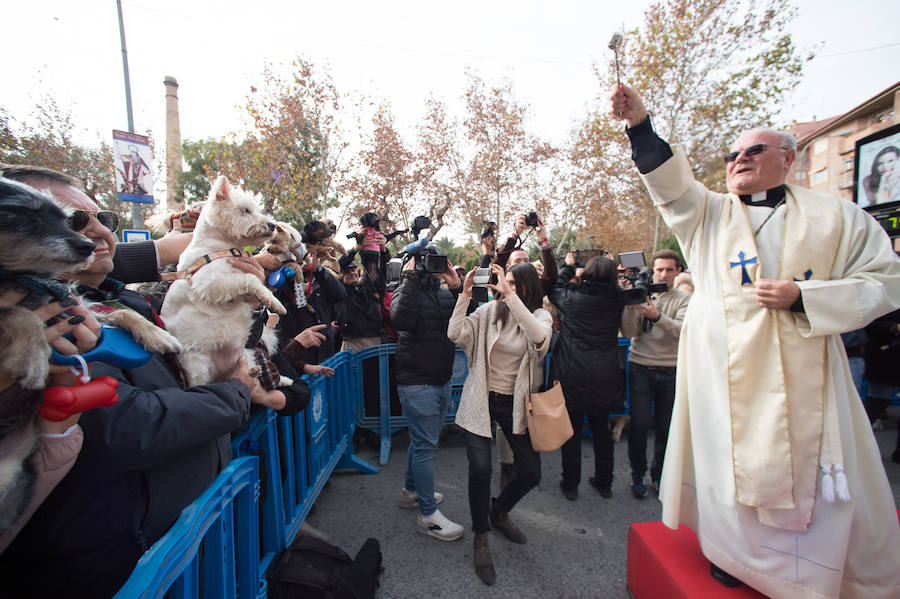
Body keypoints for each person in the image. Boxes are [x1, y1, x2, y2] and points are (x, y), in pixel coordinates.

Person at [611, 83, 900, 598]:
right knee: (730, 461)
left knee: (811, 472)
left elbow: (887, 280)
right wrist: (640, 126)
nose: (740, 159)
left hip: (807, 369)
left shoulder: (838, 217)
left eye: (755, 150)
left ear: (788, 158)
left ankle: (814, 568)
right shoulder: (712, 213)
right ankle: (735, 556)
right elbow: (672, 186)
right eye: (733, 154)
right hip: (726, 372)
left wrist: (808, 296)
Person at [0, 166, 267, 598]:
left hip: (177, 541)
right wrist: (236, 393)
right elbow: (129, 427)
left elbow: (192, 367)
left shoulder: (121, 303)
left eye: (104, 219)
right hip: (115, 565)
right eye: (73, 220)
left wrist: (243, 302)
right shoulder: (34, 329)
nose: (95, 233)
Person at [448, 262, 552, 586]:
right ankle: (482, 535)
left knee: (531, 472)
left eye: (512, 283)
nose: (505, 287)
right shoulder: (488, 312)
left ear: (526, 287)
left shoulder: (541, 315)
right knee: (480, 470)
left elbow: (539, 339)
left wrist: (511, 298)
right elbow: (454, 334)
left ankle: (499, 510)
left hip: (516, 404)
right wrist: (464, 296)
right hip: (481, 399)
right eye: (502, 282)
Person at [389, 247, 464, 542]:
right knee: (425, 446)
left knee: (422, 442)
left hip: (441, 378)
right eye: (425, 261)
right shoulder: (402, 290)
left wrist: (456, 284)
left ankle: (410, 492)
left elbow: (467, 316)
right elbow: (399, 322)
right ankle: (428, 515)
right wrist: (409, 277)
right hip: (416, 382)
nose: (430, 267)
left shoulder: (445, 292)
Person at [550, 256, 626, 501]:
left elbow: (554, 288)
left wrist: (569, 265)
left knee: (570, 430)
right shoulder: (618, 300)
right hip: (605, 373)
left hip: (573, 372)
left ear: (587, 273)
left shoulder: (571, 297)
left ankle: (570, 483)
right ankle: (605, 482)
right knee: (601, 430)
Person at [620, 250, 690, 499]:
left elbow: (683, 331)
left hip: (671, 370)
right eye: (659, 269)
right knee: (638, 425)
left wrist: (657, 316)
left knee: (665, 427)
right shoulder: (643, 294)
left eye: (669, 270)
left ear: (678, 271)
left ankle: (659, 475)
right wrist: (630, 306)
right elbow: (628, 333)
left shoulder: (684, 299)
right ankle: (637, 474)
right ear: (652, 270)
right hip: (640, 366)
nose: (663, 274)